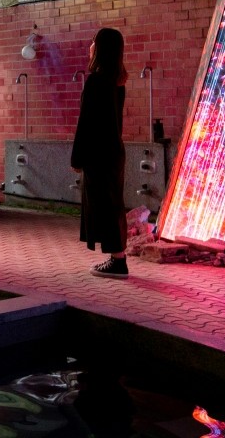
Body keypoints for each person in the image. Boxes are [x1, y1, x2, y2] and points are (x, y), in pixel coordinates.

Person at [70, 27, 129, 278]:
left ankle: (118, 261)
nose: (89, 45)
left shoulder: (95, 81)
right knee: (113, 204)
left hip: (98, 154)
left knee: (103, 205)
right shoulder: (117, 81)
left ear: (100, 48)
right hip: (114, 151)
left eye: (93, 41)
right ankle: (117, 256)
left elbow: (87, 122)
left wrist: (77, 157)